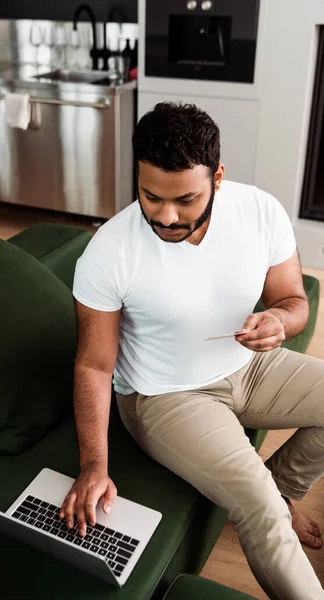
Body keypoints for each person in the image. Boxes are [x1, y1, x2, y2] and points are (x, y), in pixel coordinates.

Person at [60, 102, 324, 599]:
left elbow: (293, 300)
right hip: (164, 397)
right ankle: (273, 500)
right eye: (150, 196)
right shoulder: (110, 250)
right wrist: (95, 464)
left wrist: (280, 322)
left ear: (218, 178)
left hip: (249, 367)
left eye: (185, 198)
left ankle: (285, 485)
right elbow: (94, 365)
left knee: (273, 489)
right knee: (259, 508)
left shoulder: (261, 212)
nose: (166, 216)